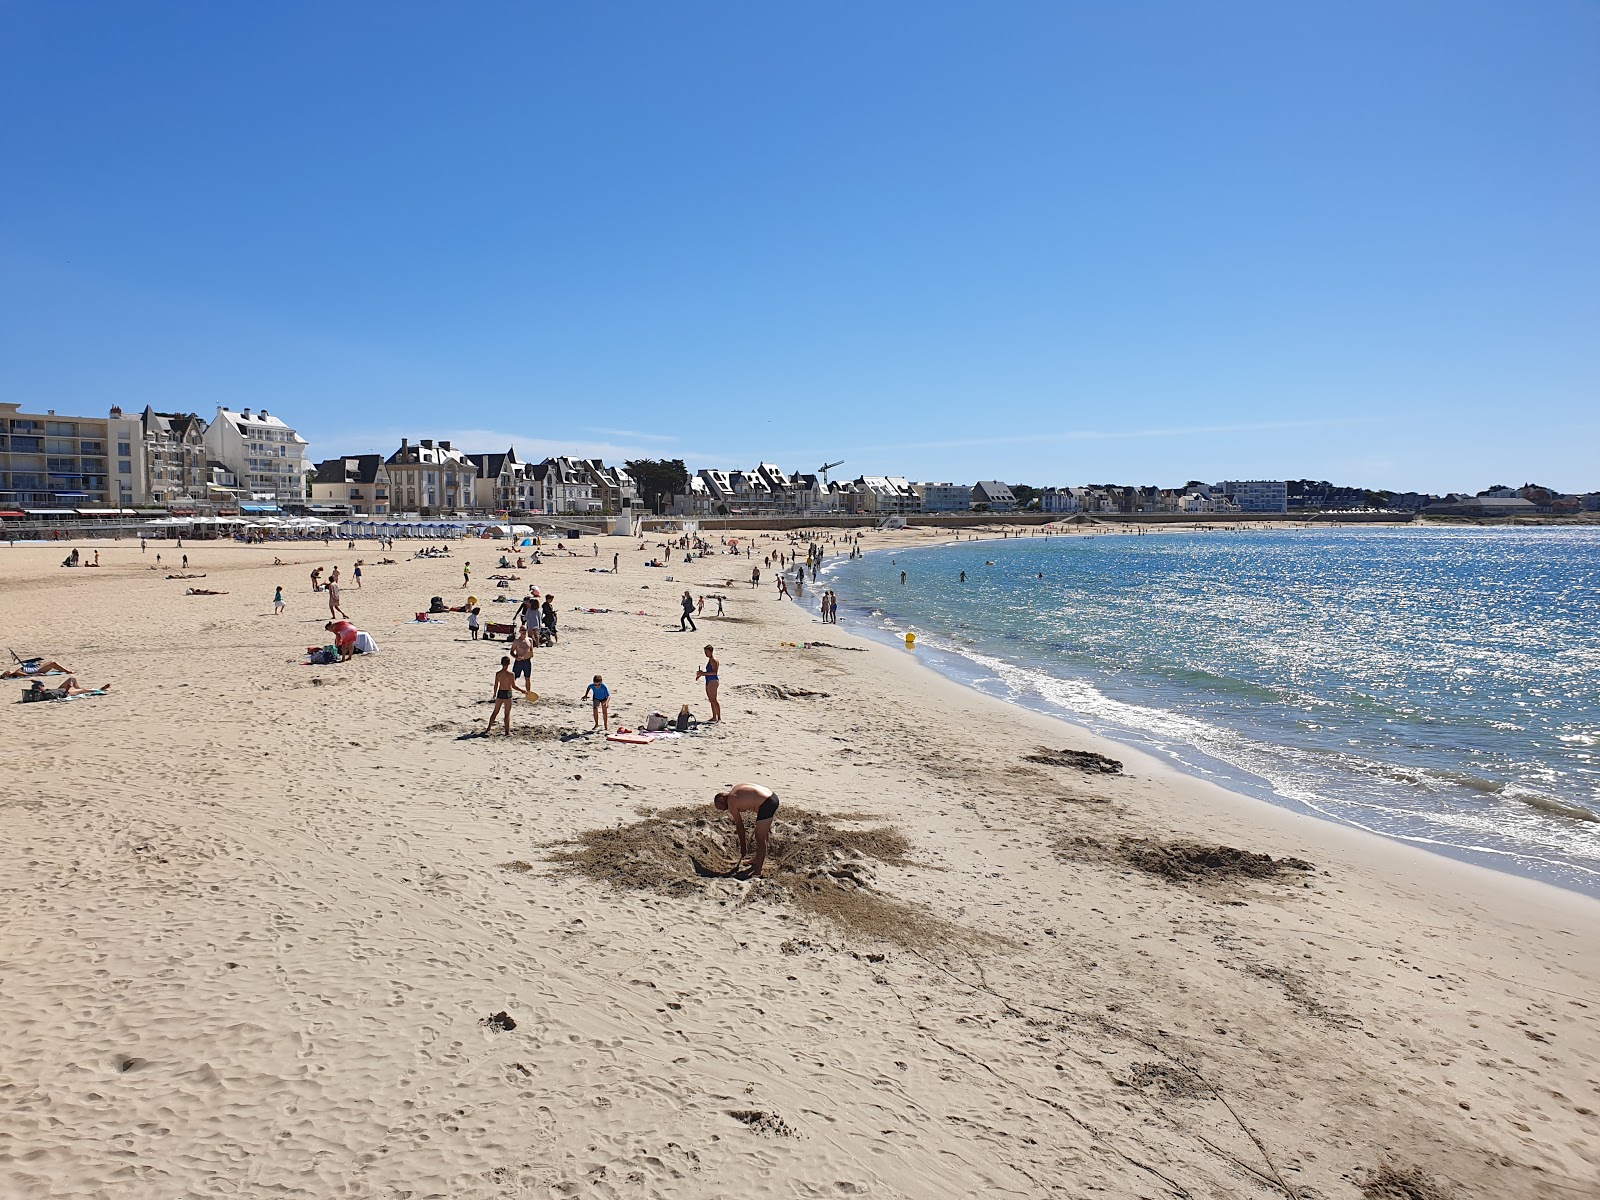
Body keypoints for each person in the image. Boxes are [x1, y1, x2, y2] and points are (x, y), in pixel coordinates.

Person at [713, 783, 780, 878]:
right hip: (772, 795)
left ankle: (758, 870)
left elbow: (740, 827)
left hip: (767, 804)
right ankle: (757, 859)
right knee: (762, 831)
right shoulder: (736, 788)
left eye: (720, 807)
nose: (723, 810)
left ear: (721, 799)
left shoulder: (731, 802)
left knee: (760, 838)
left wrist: (743, 848)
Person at [485, 656, 516, 736]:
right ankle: (507, 731)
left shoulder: (498, 674)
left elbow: (496, 685)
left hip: (500, 692)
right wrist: (523, 691)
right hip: (508, 693)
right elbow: (513, 686)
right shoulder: (511, 674)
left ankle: (488, 728)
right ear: (509, 664)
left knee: (495, 711)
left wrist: (494, 693)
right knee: (507, 713)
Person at [23, 677, 108, 701]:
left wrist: (35, 681)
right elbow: (62, 696)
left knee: (72, 679)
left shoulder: (45, 691)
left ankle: (79, 688)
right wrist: (68, 688)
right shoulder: (47, 694)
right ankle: (99, 689)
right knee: (84, 690)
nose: (44, 686)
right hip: (67, 692)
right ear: (40, 689)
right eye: (42, 686)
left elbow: (39, 685)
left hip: (60, 689)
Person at [696, 645, 722, 722]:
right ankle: (714, 717)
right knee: (711, 699)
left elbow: (714, 672)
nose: (705, 653)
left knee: (714, 699)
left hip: (713, 681)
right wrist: (700, 674)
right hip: (708, 680)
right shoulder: (710, 660)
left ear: (711, 651)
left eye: (706, 652)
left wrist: (703, 673)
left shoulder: (713, 660)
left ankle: (719, 717)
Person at [510, 625, 535, 696]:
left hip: (527, 661)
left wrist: (528, 656)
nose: (524, 632)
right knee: (514, 677)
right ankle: (508, 691)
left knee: (527, 678)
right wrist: (516, 657)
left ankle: (528, 694)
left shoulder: (530, 640)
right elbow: (512, 652)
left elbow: (531, 652)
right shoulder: (517, 641)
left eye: (525, 630)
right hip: (519, 662)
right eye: (522, 630)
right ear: (520, 631)